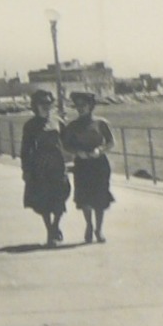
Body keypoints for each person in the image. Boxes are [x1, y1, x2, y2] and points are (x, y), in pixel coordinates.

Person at [61, 91, 115, 243]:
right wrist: (77, 153)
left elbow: (111, 143)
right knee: (84, 198)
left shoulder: (101, 123)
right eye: (78, 106)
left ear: (91, 106)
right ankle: (89, 225)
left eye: (83, 105)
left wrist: (100, 150)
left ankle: (99, 229)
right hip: (82, 164)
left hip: (99, 164)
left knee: (100, 198)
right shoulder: (72, 126)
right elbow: (66, 145)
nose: (80, 108)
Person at [20, 89, 69, 247]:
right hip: (40, 165)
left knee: (61, 196)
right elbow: (25, 150)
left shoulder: (58, 121)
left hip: (57, 164)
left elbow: (68, 141)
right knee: (44, 201)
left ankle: (55, 226)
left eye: (49, 103)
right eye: (42, 103)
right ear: (35, 105)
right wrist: (26, 170)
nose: (46, 106)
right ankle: (50, 231)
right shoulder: (30, 126)